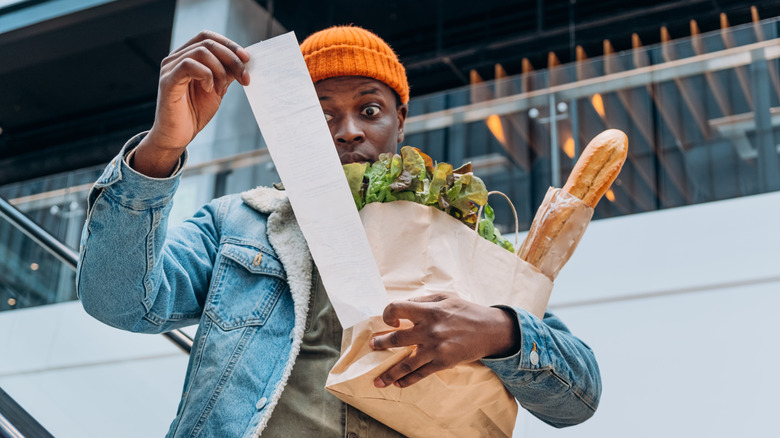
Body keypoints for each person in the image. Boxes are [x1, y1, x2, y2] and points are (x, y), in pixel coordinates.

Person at [77, 25, 601, 437]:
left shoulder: (462, 237)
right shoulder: (237, 223)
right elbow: (118, 301)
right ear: (293, 124)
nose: (349, 129)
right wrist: (163, 145)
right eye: (322, 113)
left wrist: (499, 331)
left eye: (369, 110)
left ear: (401, 122)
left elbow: (578, 398)